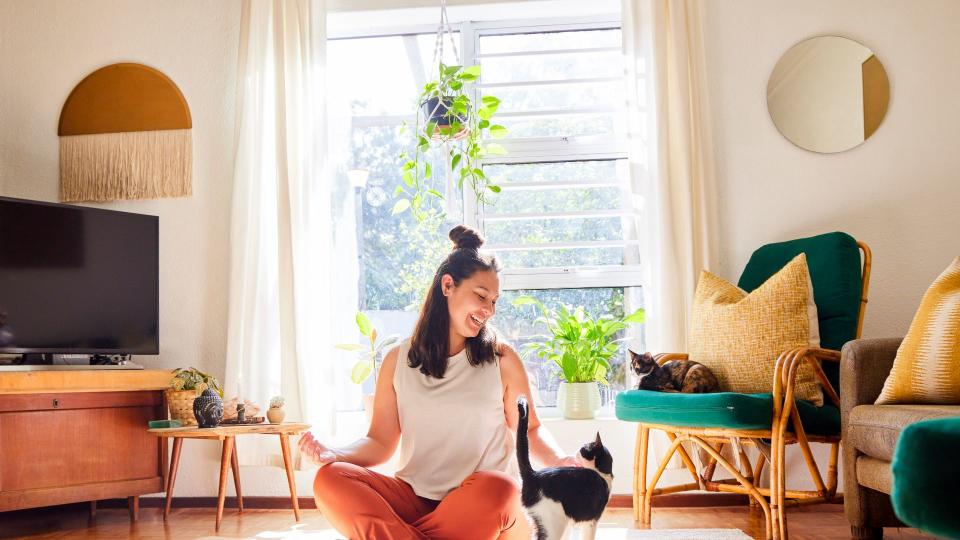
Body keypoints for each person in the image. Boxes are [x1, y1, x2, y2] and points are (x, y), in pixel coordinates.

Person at [299, 225, 579, 539]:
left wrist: (560, 461)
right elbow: (380, 442)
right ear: (448, 285)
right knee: (330, 479)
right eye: (481, 295)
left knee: (499, 487)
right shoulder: (396, 361)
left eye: (495, 301)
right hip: (416, 501)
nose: (488, 309)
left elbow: (529, 429)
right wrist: (334, 454)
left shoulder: (502, 359)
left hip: (486, 507)